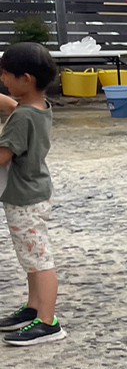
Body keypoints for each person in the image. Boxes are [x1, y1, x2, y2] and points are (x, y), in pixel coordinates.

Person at [0, 43, 64, 345]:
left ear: (26, 79)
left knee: (39, 260)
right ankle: (34, 308)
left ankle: (48, 322)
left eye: (6, 74)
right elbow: (15, 108)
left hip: (24, 198)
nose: (2, 79)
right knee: (31, 256)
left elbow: (3, 156)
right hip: (35, 191)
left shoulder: (23, 117)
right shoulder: (38, 107)